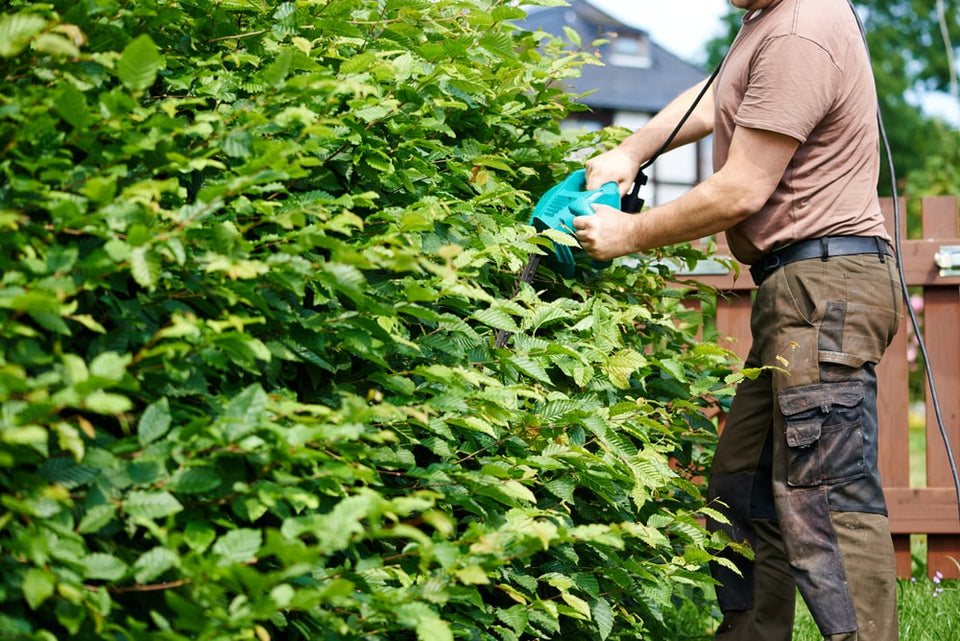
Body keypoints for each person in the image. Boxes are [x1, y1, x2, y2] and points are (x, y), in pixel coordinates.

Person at [572, 0, 903, 639]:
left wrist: (628, 233)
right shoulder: (766, 25)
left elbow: (740, 190)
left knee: (827, 497)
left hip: (825, 292)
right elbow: (722, 91)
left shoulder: (802, 29)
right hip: (796, 291)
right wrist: (633, 148)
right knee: (742, 491)